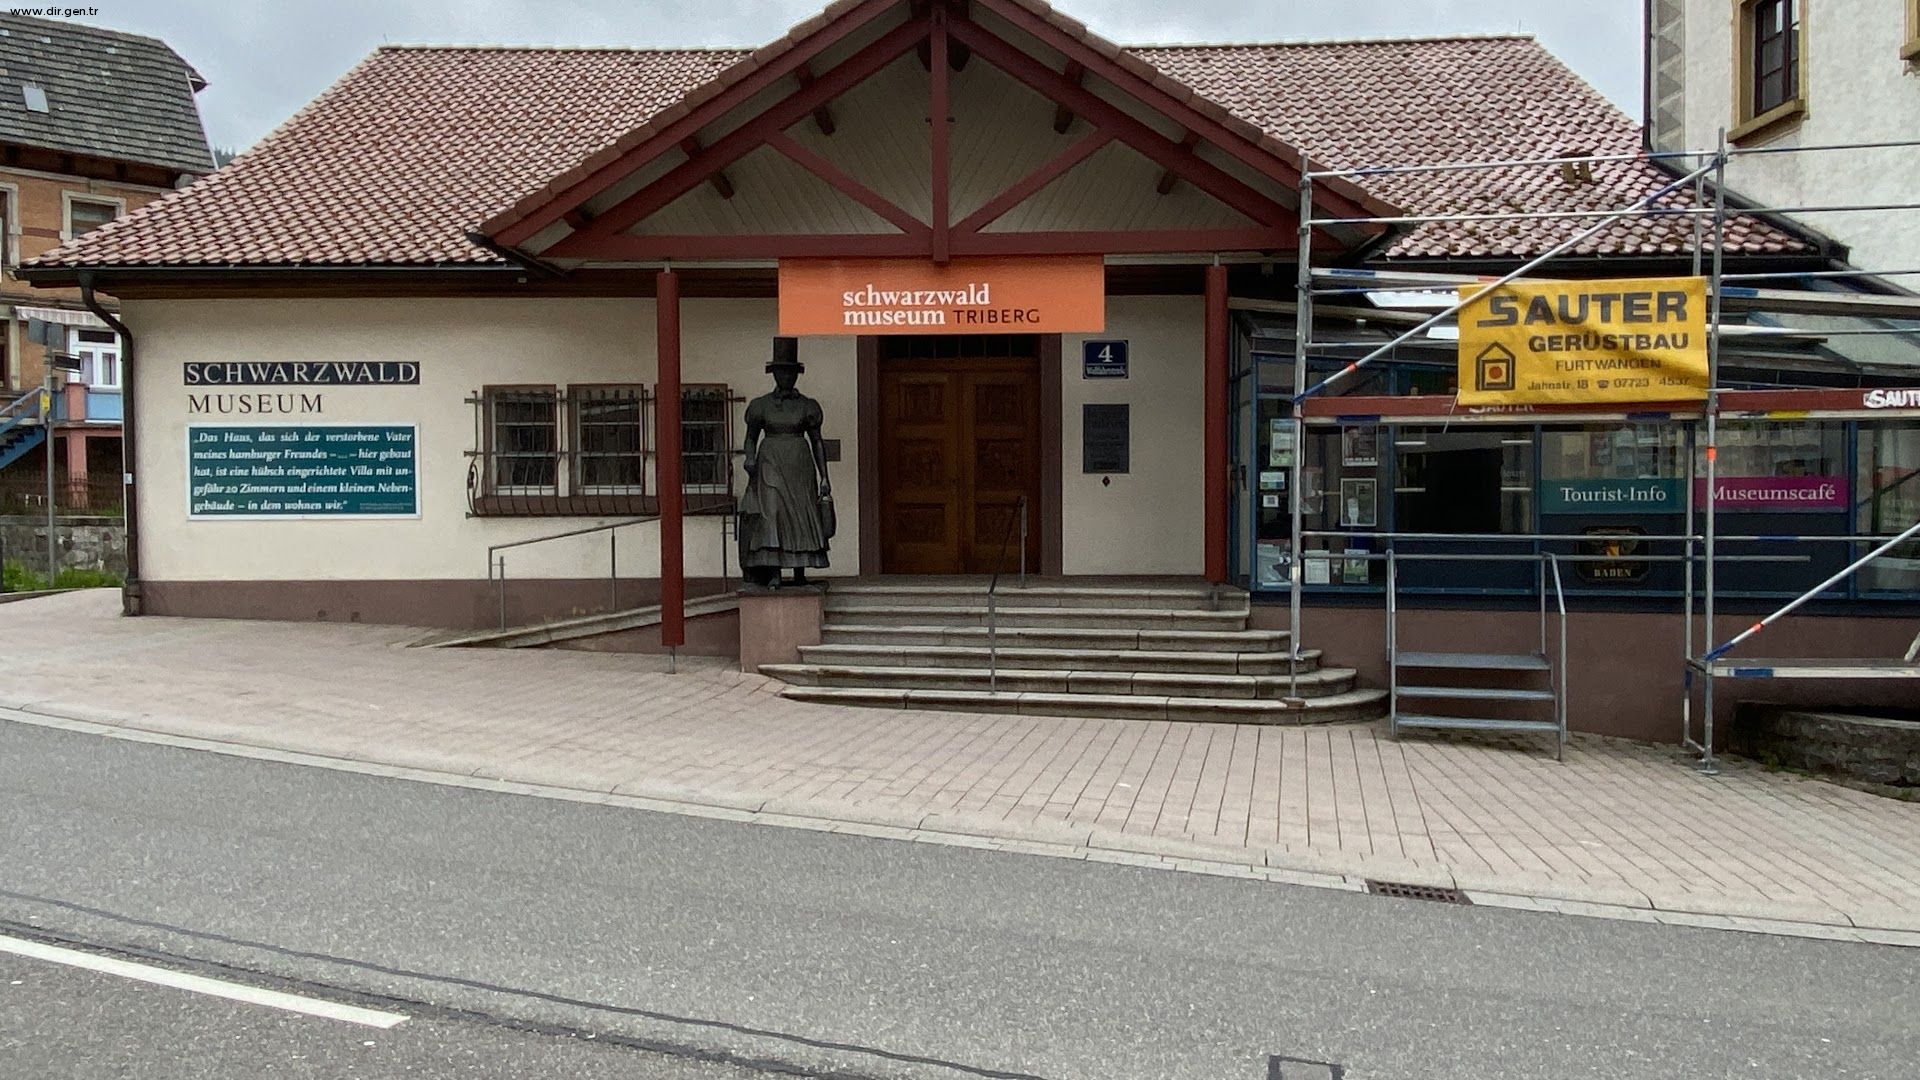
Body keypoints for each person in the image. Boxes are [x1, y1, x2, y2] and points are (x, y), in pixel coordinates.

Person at [738, 337, 832, 587]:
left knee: (802, 513)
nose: (786, 377)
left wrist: (825, 477)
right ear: (774, 374)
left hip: (799, 464)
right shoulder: (761, 405)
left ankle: (801, 571)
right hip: (769, 462)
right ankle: (774, 571)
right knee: (772, 514)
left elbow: (818, 442)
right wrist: (749, 457)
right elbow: (750, 439)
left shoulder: (807, 406)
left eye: (791, 373)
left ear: (796, 375)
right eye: (782, 372)